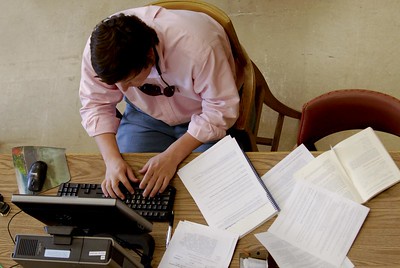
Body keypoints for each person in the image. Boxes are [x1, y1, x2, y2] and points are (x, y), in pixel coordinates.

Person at [79, 5, 240, 199]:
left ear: (149, 55)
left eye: (130, 80)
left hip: (202, 113)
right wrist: (112, 161)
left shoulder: (199, 49)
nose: (123, 90)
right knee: (129, 182)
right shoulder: (97, 54)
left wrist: (172, 156)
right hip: (144, 114)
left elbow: (219, 109)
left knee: (210, 188)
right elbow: (96, 104)